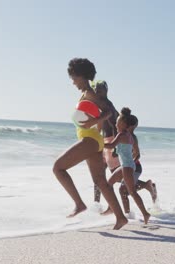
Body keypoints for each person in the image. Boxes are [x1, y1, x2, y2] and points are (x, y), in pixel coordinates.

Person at [53, 58, 128, 230]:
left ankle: (79, 204)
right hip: (95, 140)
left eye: (73, 78)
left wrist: (92, 122)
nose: (72, 82)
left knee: (58, 168)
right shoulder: (87, 93)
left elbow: (109, 110)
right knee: (101, 181)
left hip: (90, 140)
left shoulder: (89, 93)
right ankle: (120, 217)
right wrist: (96, 123)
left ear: (81, 76)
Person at [102, 107, 151, 224]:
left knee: (132, 192)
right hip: (127, 165)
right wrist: (132, 162)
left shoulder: (122, 135)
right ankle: (112, 208)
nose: (115, 123)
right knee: (108, 184)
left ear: (124, 125)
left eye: (117, 122)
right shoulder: (129, 136)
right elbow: (137, 153)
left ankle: (145, 213)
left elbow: (110, 145)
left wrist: (98, 142)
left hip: (127, 166)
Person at [91, 80, 121, 203]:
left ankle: (146, 185)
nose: (97, 92)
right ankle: (96, 204)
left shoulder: (107, 105)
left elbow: (115, 126)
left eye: (99, 90)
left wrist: (115, 148)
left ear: (106, 90)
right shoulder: (101, 105)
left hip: (111, 142)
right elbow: (100, 125)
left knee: (119, 177)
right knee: (98, 175)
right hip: (104, 143)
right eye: (96, 90)